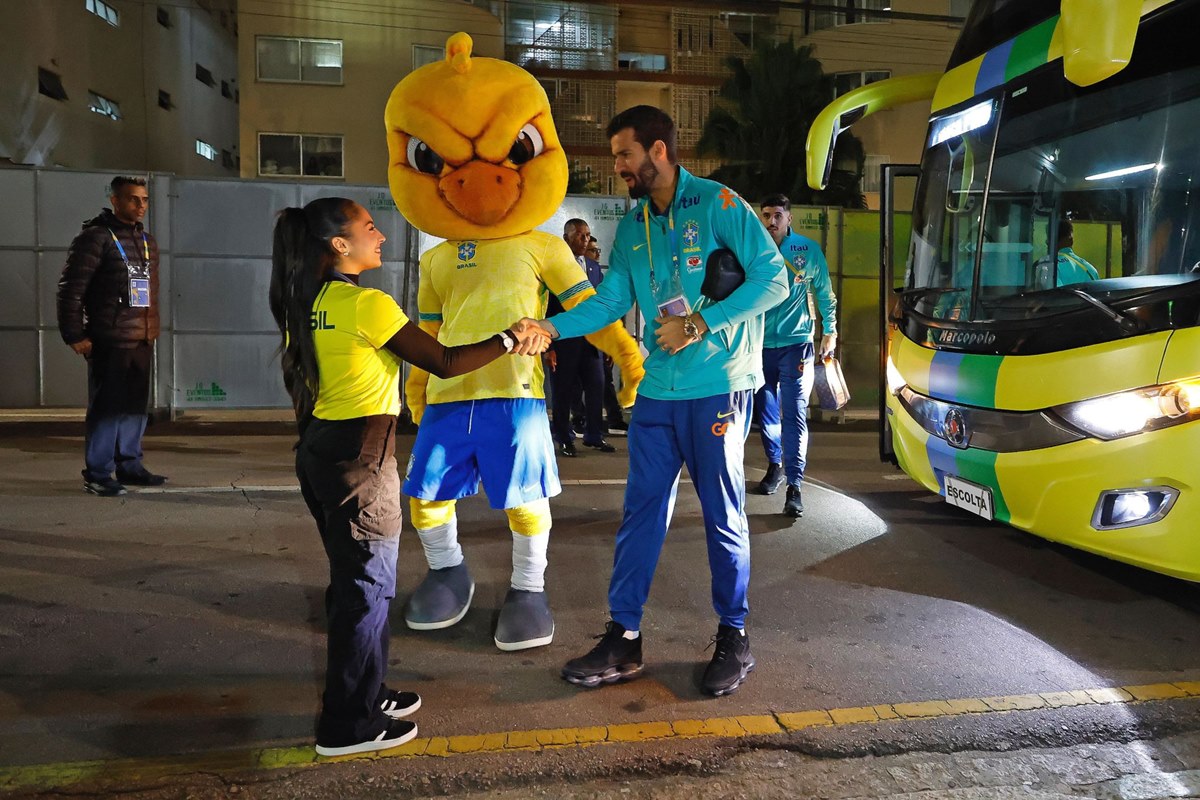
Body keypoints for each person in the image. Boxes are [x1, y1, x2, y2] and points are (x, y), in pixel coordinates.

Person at [268, 197, 547, 757]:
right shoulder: (364, 303)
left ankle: (369, 694)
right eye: (369, 228)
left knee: (357, 585)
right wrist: (511, 340)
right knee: (365, 593)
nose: (381, 237)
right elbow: (442, 361)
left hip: (324, 449)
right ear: (339, 245)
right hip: (359, 458)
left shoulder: (311, 298)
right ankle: (348, 726)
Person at [523, 105, 788, 696]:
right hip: (657, 393)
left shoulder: (720, 204)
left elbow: (775, 280)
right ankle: (624, 636)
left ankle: (734, 635)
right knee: (640, 514)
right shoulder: (633, 225)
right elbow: (608, 301)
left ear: (658, 152)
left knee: (723, 515)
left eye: (623, 154)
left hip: (717, 386)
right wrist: (550, 327)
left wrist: (700, 323)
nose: (617, 165)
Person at [57, 176, 166, 497]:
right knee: (107, 408)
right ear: (115, 200)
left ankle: (130, 465)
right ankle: (98, 473)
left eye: (145, 200)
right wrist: (74, 334)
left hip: (142, 337)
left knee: (134, 407)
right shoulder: (95, 238)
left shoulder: (147, 241)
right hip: (110, 338)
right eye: (133, 199)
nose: (141, 205)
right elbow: (71, 291)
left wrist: (150, 330)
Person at [754, 194, 838, 518]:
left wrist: (830, 331)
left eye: (777, 215)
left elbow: (824, 292)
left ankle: (795, 485)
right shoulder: (753, 250)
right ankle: (774, 465)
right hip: (760, 346)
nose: (771, 221)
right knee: (766, 412)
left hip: (796, 345)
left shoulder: (806, 250)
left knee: (794, 412)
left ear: (789, 218)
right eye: (766, 214)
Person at [547, 219, 615, 456]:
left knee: (596, 387)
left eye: (587, 235)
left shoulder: (594, 267)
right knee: (563, 391)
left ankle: (594, 435)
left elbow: (604, 305)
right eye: (579, 235)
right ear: (566, 238)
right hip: (564, 340)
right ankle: (564, 438)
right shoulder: (554, 265)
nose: (585, 239)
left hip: (593, 341)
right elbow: (547, 308)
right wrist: (549, 346)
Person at [1033, 219, 1099, 288]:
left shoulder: (1047, 264)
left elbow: (1052, 294)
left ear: (1050, 240)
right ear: (1071, 240)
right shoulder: (1091, 269)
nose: (1046, 242)